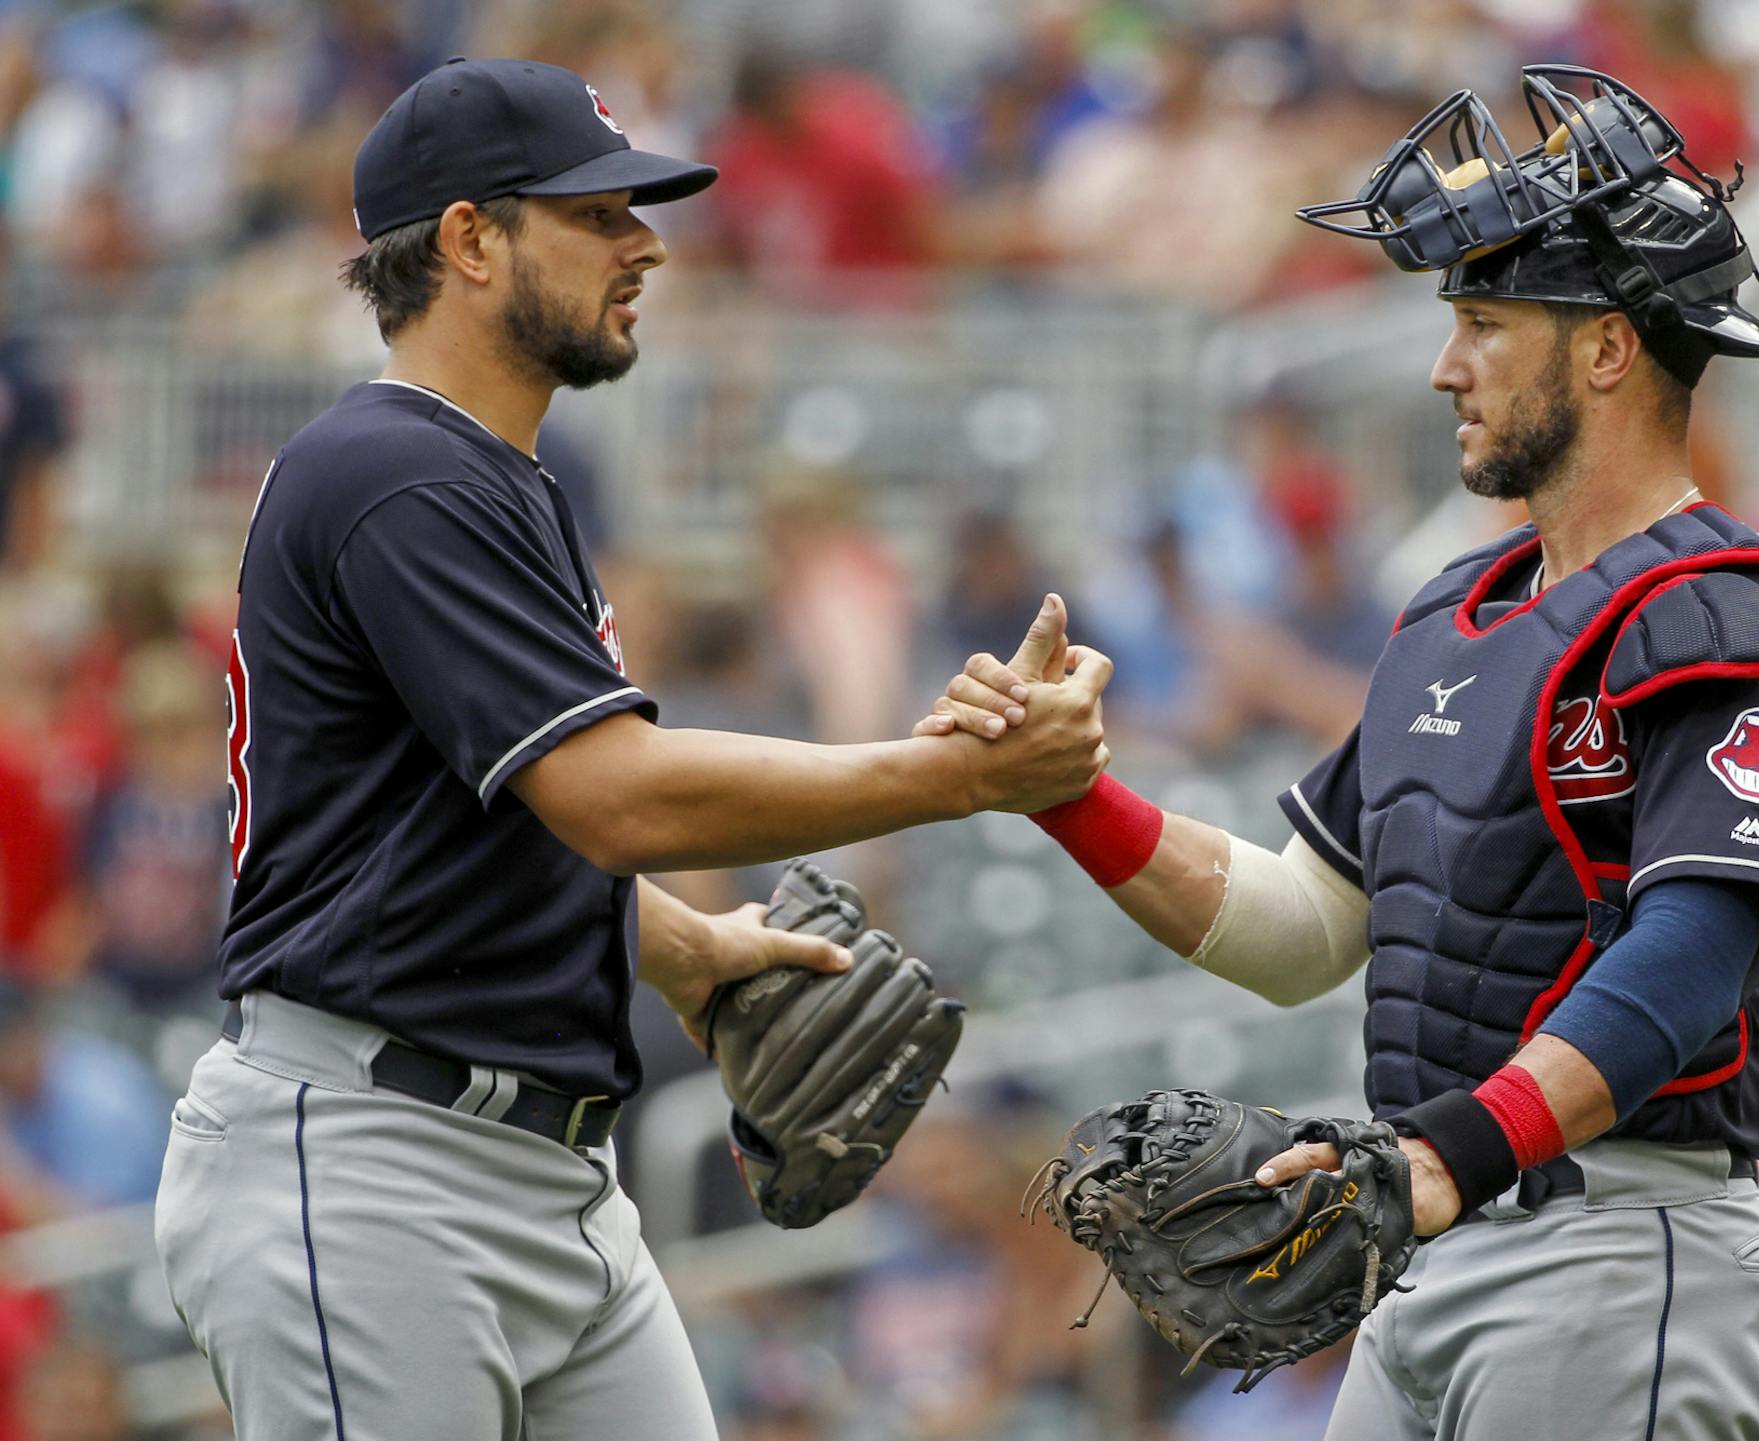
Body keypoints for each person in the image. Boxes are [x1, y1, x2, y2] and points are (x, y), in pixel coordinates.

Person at [152, 57, 1110, 1441]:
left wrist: (686, 947)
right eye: (594, 214)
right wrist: (954, 774)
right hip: (373, 1164)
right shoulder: (394, 471)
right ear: (472, 239)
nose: (644, 241)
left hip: (544, 1174)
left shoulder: (496, 478)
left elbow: (479, 826)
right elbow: (613, 795)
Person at [930, 67, 1759, 1439]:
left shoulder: (1725, 616)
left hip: (1620, 1249)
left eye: (1484, 321)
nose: (1445, 364)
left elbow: (1689, 958)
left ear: (1606, 348)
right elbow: (1306, 925)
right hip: (1436, 1242)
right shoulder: (1449, 614)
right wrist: (1070, 797)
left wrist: (1440, 1158)